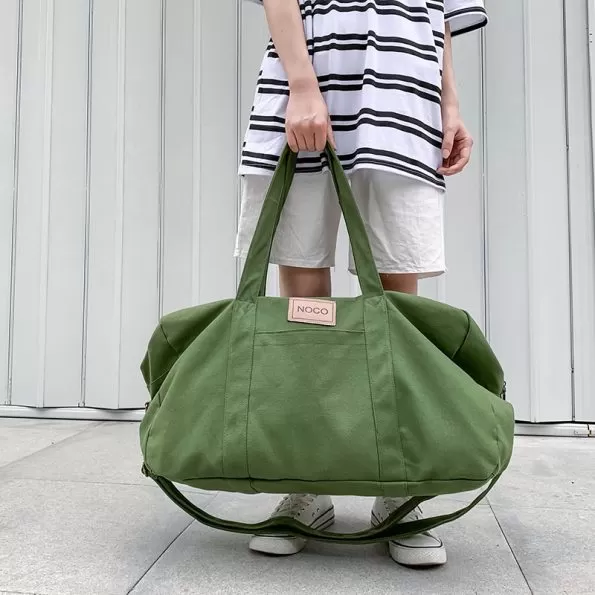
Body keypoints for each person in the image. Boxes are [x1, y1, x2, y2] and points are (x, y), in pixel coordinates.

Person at [235, 0, 487, 567]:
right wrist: (302, 84)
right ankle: (306, 481)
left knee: (395, 303)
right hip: (310, 76)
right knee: (303, 294)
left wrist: (449, 103)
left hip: (404, 94)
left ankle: (397, 486)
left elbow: (441, 13)